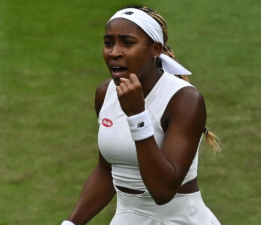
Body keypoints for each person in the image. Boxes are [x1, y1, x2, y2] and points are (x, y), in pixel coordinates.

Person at [61, 5, 221, 225]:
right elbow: (107, 170)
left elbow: (163, 191)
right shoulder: (105, 92)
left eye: (127, 43)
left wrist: (137, 116)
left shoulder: (184, 100)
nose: (114, 52)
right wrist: (71, 223)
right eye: (109, 43)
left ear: (155, 49)